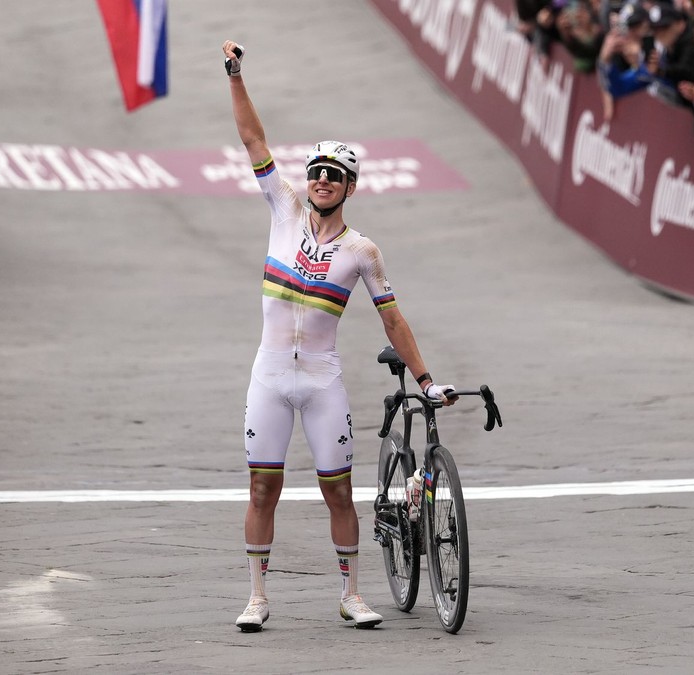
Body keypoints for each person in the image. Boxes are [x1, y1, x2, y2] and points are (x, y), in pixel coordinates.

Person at [222, 40, 457, 633]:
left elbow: (392, 320)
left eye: (336, 176)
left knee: (339, 494)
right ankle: (256, 596)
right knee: (261, 490)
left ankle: (351, 594)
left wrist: (426, 381)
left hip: (322, 379)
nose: (324, 181)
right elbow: (253, 141)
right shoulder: (284, 209)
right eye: (318, 173)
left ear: (350, 188)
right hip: (270, 375)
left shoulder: (362, 252)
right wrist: (235, 76)